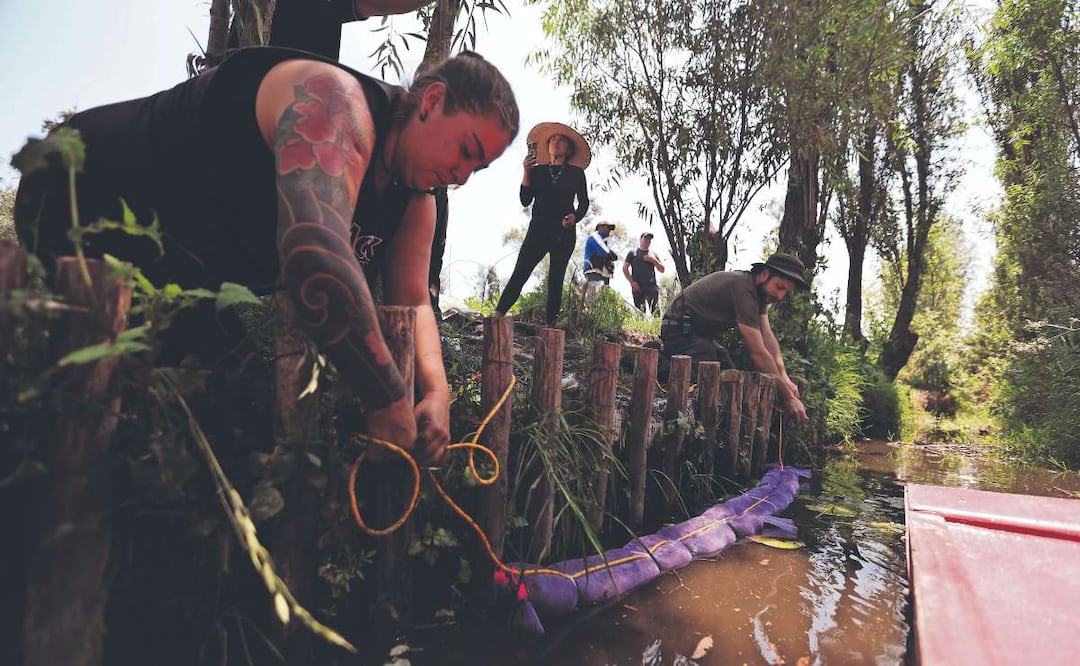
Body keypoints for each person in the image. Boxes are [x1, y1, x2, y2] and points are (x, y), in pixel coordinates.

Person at [14, 47, 519, 464]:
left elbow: (413, 302)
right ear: (432, 100)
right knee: (169, 415)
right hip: (79, 188)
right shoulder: (336, 103)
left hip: (181, 265)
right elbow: (313, 254)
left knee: (228, 410)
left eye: (479, 168)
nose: (462, 175)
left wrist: (437, 394)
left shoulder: (416, 199)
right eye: (467, 150)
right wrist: (387, 397)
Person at [659, 253, 810, 422]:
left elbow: (767, 337)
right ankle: (656, 360)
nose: (780, 296)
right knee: (705, 382)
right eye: (779, 287)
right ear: (765, 274)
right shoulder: (743, 289)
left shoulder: (758, 294)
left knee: (730, 375)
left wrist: (784, 378)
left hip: (699, 336)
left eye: (786, 292)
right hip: (678, 330)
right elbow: (759, 353)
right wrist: (788, 398)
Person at [494, 122, 590, 325]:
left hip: (564, 232)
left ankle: (550, 326)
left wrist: (575, 218)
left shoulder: (576, 174)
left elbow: (583, 203)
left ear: (569, 149)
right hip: (538, 229)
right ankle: (498, 315)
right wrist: (526, 172)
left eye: (560, 140)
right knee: (521, 271)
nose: (555, 142)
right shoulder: (537, 172)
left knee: (555, 280)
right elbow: (525, 200)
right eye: (552, 140)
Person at [623, 231, 665, 314]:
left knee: (655, 312)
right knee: (640, 312)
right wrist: (632, 283)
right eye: (645, 239)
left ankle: (656, 326)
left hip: (651, 286)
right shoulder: (632, 253)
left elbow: (662, 269)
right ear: (640, 240)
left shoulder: (653, 254)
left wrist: (653, 260)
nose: (648, 241)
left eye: (649, 239)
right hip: (637, 286)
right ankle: (641, 326)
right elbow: (625, 268)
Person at [580, 221, 618, 306]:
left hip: (603, 274)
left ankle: (596, 317)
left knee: (602, 301)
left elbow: (612, 257)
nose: (609, 231)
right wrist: (610, 255)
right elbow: (606, 252)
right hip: (593, 271)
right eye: (607, 227)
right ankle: (588, 317)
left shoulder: (605, 242)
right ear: (600, 227)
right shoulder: (594, 237)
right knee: (592, 298)